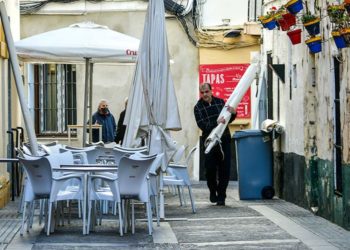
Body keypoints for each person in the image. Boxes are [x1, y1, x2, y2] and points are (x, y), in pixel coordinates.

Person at [194, 83, 236, 206]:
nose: (205, 95)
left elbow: (228, 120)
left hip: (225, 140)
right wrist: (215, 122)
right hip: (209, 142)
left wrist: (233, 113)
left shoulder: (220, 102)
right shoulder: (198, 108)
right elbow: (202, 125)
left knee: (225, 170)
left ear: (211, 91)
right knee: (210, 170)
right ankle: (213, 191)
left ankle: (221, 196)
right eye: (202, 93)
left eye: (206, 92)